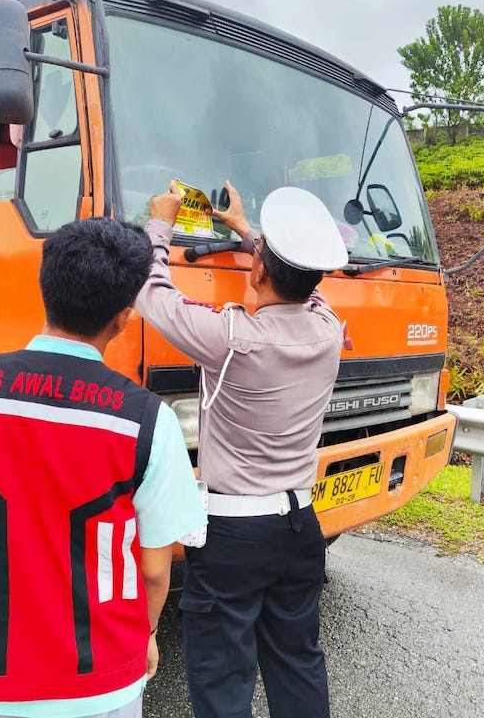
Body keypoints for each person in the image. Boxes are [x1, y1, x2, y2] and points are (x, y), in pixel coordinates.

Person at [0, 217, 207, 718]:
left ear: (45, 289)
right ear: (124, 317)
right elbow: (153, 567)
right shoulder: (147, 419)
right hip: (100, 683)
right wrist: (145, 635)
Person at [134, 180, 348, 718]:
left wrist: (160, 225)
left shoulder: (232, 337)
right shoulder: (327, 329)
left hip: (232, 534)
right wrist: (249, 232)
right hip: (301, 527)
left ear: (258, 272)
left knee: (224, 674)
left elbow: (150, 294)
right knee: (298, 661)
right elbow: (306, 286)